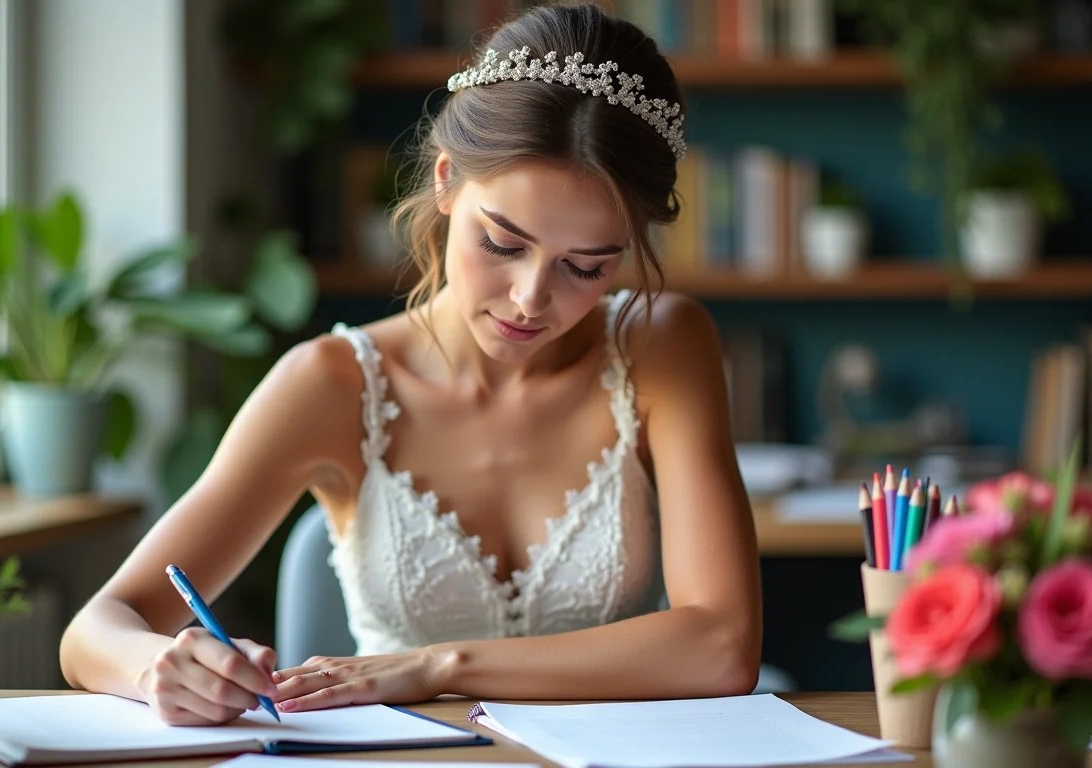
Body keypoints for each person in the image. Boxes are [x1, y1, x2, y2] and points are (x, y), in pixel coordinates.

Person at [59, 1, 761, 726]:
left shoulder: (662, 345)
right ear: (447, 180)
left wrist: (439, 665)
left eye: (585, 267)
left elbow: (723, 647)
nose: (530, 299)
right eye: (502, 244)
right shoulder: (330, 384)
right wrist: (158, 668)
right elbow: (94, 631)